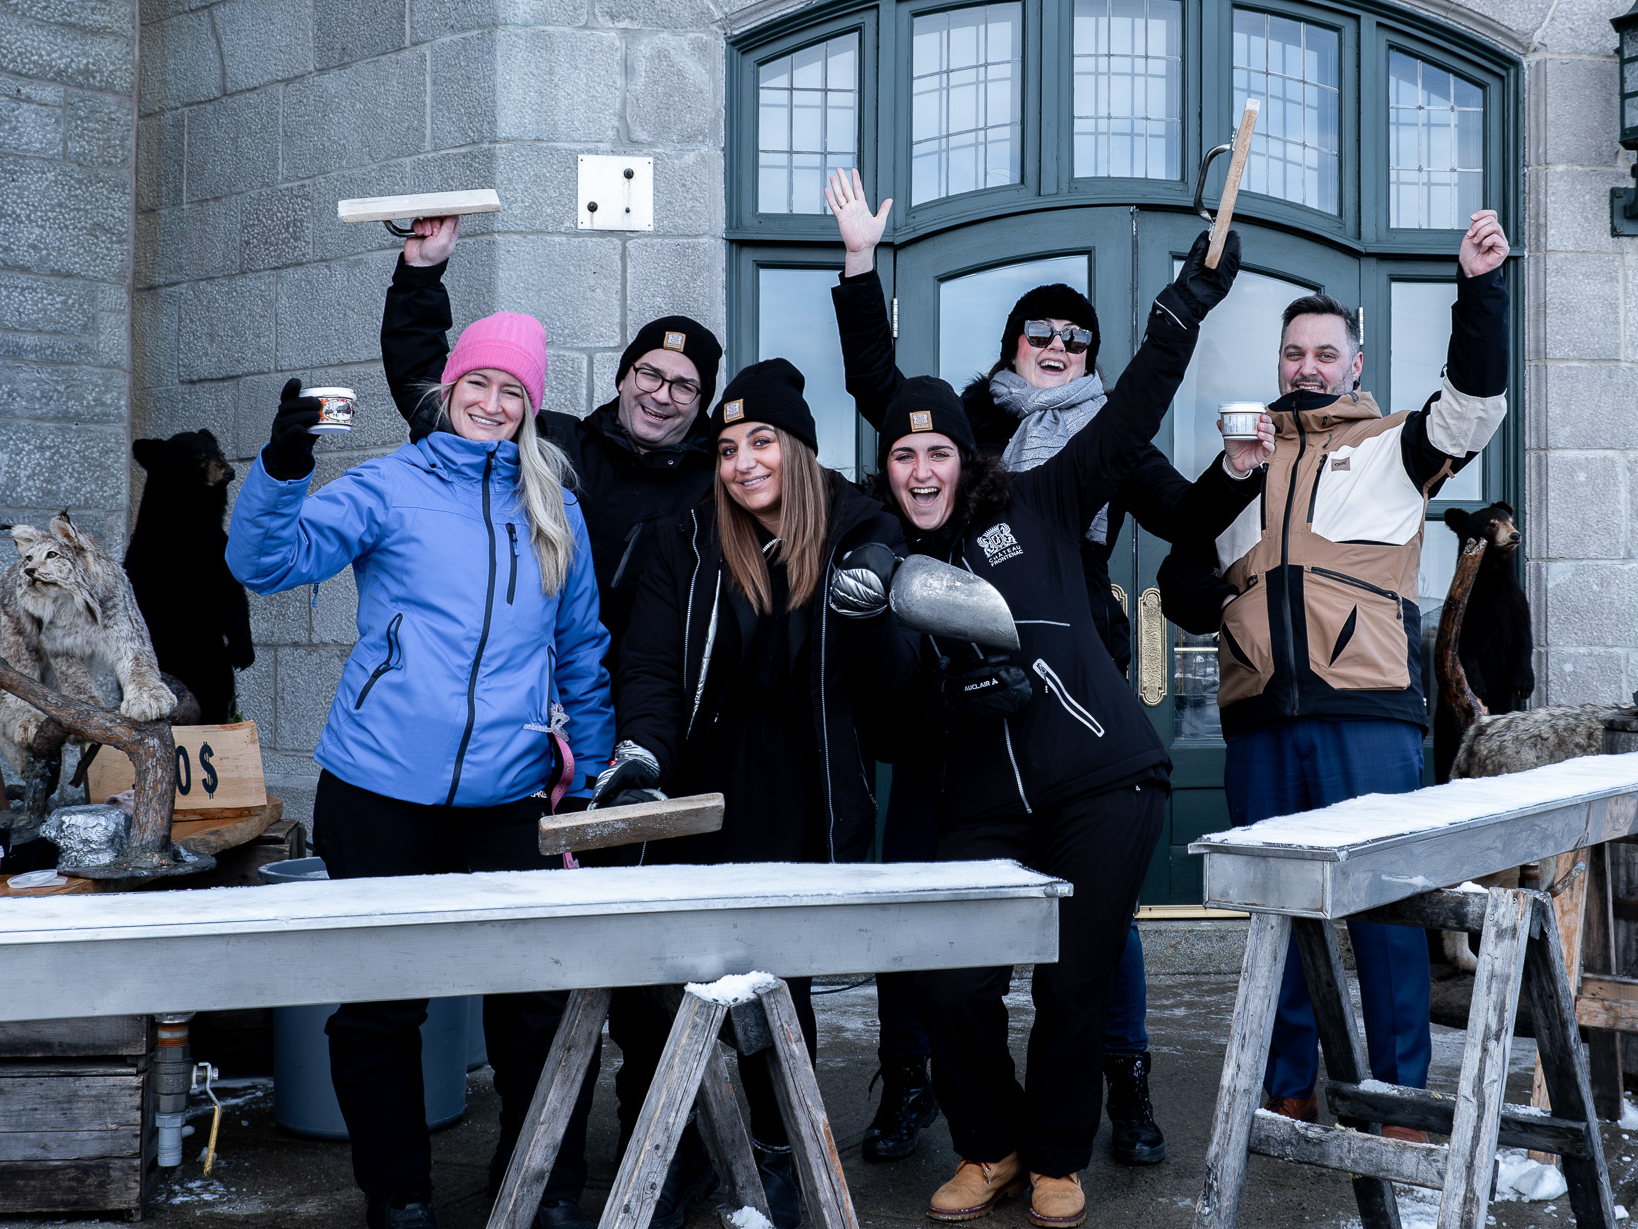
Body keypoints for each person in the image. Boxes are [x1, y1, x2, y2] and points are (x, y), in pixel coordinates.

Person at [834, 224, 1251, 1228]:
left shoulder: (1045, 498)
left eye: (939, 452)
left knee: (1075, 980)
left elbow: (1133, 414)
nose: (923, 468)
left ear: (963, 459)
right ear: (887, 466)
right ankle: (990, 1145)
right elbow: (884, 708)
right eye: (905, 453)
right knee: (954, 982)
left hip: (1100, 776)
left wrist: (1185, 307)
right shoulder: (887, 564)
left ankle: (1057, 1153)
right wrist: (932, 687)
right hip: (981, 791)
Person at [225, 312, 614, 1229]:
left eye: (512, 391)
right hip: (378, 789)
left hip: (511, 793)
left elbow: (581, 651)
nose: (493, 402)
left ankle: (545, 1180)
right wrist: (283, 466)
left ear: (530, 406)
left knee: (540, 1000)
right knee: (382, 1005)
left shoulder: (555, 508)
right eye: (478, 383)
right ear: (449, 388)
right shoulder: (388, 485)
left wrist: (591, 776)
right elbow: (263, 562)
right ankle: (398, 1193)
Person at [1175, 210, 1511, 1138]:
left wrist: (1480, 291)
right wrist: (1211, 574)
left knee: (1388, 913)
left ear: (1354, 364)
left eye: (1326, 352)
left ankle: (1397, 1097)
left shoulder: (1392, 449)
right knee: (1277, 916)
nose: (1309, 366)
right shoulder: (1242, 461)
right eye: (1295, 352)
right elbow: (1183, 573)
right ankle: (1286, 1083)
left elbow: (1472, 406)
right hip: (1260, 721)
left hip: (1368, 718)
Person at [607, 358, 919, 1229]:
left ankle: (778, 1154)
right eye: (728, 447)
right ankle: (678, 1149)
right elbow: (649, 665)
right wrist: (642, 752)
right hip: (701, 792)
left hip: (804, 796)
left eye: (762, 442)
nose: (742, 462)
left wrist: (875, 597)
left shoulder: (862, 536)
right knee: (670, 987)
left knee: (775, 989)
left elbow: (894, 691)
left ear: (801, 451)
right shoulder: (687, 540)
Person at [380, 213, 723, 655]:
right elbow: (436, 399)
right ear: (623, 378)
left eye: (684, 386)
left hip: (639, 690)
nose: (660, 395)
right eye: (650, 375)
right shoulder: (549, 442)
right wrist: (421, 274)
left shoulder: (713, 489)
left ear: (700, 402)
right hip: (521, 677)